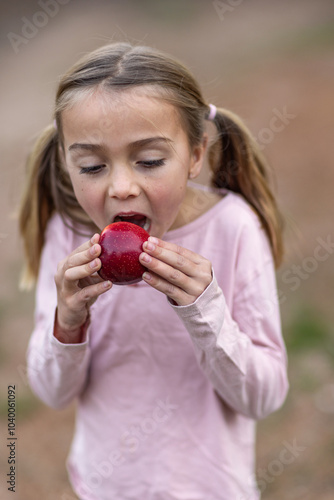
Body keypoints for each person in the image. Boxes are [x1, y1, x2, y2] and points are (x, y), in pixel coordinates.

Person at [19, 42, 289, 500]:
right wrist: (68, 322)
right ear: (66, 165)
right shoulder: (68, 237)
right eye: (92, 166)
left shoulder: (234, 229)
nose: (122, 188)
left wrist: (206, 311)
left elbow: (263, 397)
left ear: (196, 155)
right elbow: (52, 392)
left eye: (149, 161)